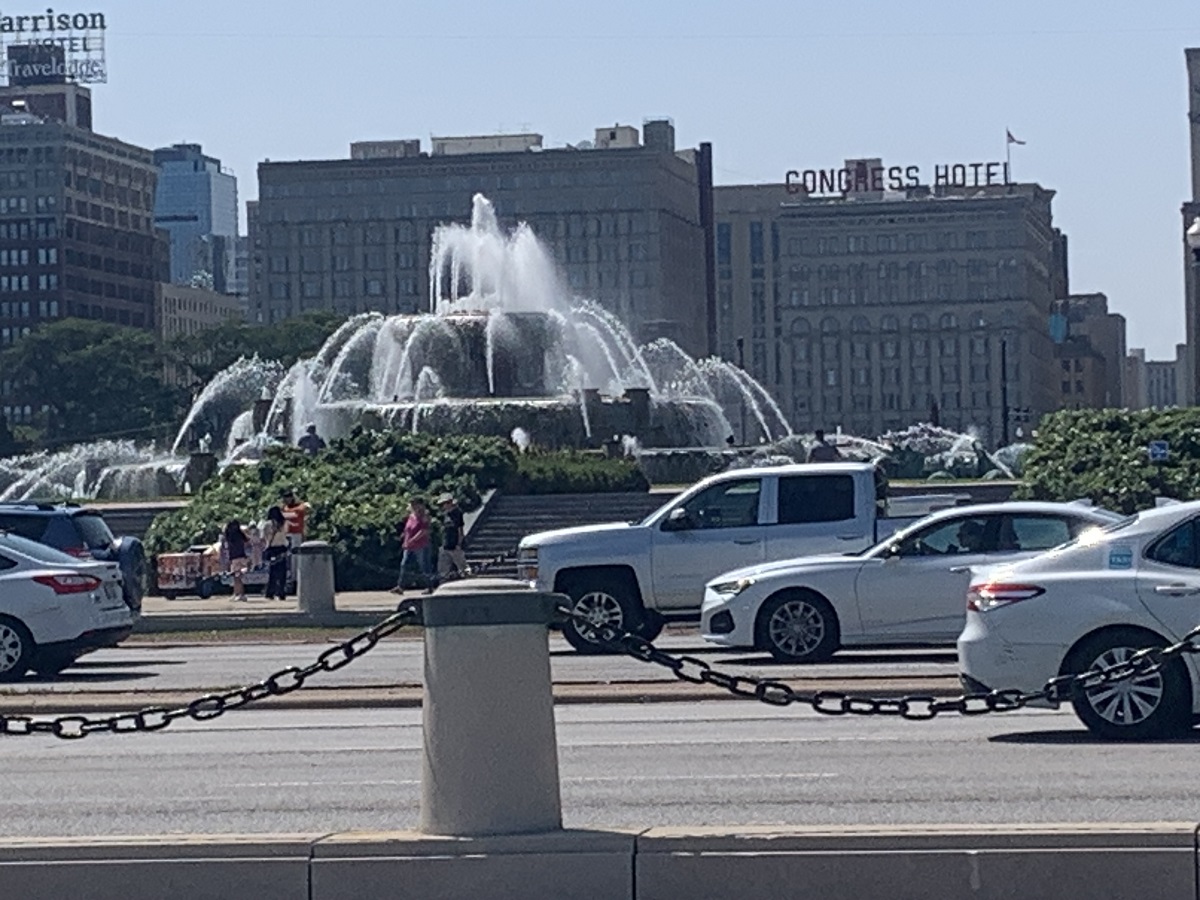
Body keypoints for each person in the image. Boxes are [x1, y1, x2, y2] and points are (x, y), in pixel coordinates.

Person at [393, 498, 433, 594]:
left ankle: (429, 586)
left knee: (424, 566)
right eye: (412, 504)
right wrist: (405, 539)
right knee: (404, 564)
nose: (414, 506)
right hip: (409, 545)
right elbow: (408, 529)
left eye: (415, 504)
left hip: (420, 545)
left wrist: (413, 539)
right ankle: (400, 586)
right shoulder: (411, 516)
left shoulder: (424, 516)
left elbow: (424, 530)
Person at [280, 488, 310, 590]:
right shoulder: (284, 508)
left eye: (289, 497)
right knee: (288, 559)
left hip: (297, 534)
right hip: (286, 535)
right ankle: (289, 580)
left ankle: (296, 580)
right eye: (285, 497)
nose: (287, 499)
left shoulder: (300, 507)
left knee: (296, 558)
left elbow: (304, 509)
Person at [436, 492, 468, 583]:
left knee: (462, 566)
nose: (443, 506)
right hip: (445, 544)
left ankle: (467, 581)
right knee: (442, 567)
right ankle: (443, 582)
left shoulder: (457, 513)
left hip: (454, 545)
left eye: (445, 503)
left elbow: (460, 530)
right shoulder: (446, 514)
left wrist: (459, 543)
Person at [261, 506, 290, 600]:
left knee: (273, 571)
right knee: (283, 572)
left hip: (272, 549)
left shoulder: (268, 524)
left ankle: (270, 592)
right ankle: (281, 592)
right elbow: (286, 534)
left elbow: (264, 537)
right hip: (282, 548)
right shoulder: (284, 523)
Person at [219, 520, 250, 602]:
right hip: (242, 557)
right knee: (238, 577)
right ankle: (237, 593)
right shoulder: (241, 535)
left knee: (236, 577)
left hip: (234, 558)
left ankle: (239, 594)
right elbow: (248, 542)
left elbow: (228, 549)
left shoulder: (229, 537)